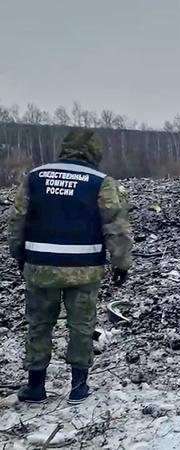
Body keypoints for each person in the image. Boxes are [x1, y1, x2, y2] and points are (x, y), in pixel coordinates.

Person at [6, 130, 133, 404]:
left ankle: (36, 387)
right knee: (81, 325)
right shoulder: (100, 182)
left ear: (65, 149)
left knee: (39, 324)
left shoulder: (35, 177)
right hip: (84, 270)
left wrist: (18, 254)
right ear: (94, 152)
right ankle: (78, 388)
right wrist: (121, 263)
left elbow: (17, 221)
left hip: (40, 266)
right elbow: (116, 226)